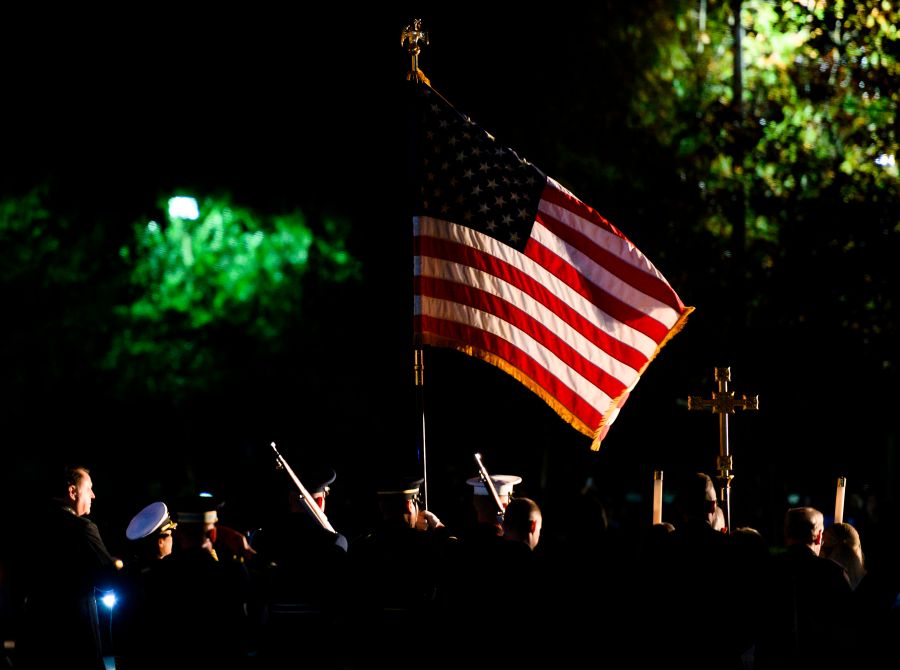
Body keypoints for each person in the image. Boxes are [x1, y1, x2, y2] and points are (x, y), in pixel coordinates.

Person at [17, 465, 122, 670]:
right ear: (73, 492)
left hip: (35, 638)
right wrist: (117, 564)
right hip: (75, 640)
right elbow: (108, 580)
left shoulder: (31, 525)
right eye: (89, 488)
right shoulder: (83, 528)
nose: (93, 495)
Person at [347, 475, 454, 665]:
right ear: (409, 506)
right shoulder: (427, 545)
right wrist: (438, 528)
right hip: (417, 643)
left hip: (372, 645)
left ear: (381, 507)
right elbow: (457, 564)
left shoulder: (361, 546)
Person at [250, 465, 349, 669]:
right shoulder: (335, 542)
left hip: (274, 645)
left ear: (289, 499)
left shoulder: (262, 539)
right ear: (321, 501)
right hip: (318, 646)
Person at [139, 494, 254, 670]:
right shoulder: (230, 571)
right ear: (214, 533)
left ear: (179, 533)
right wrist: (245, 551)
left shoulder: (158, 573)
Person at [753, 506, 856, 669]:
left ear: (786, 534)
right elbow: (849, 629)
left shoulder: (766, 570)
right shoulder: (833, 573)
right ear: (819, 536)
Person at [113, 501, 178, 669]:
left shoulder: (128, 573)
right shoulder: (171, 574)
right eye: (170, 534)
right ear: (160, 541)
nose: (173, 539)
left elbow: (119, 625)